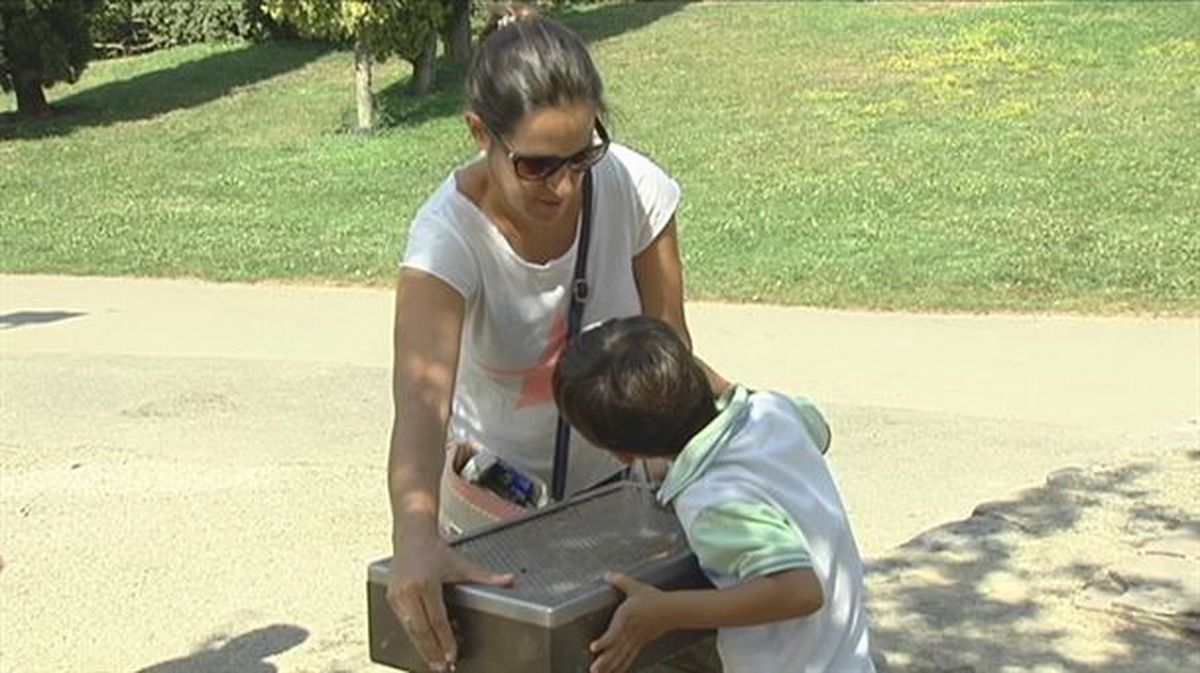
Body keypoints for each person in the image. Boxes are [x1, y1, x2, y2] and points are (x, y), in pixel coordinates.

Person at [385, 6, 726, 672]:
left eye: (583, 155)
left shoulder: (634, 187)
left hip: (620, 500)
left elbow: (670, 351)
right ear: (481, 133)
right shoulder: (446, 237)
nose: (567, 187)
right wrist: (414, 534)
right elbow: (421, 403)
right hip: (495, 519)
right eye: (539, 166)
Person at [553, 316, 875, 673]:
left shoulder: (712, 500)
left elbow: (799, 592)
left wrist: (663, 613)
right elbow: (819, 430)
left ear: (622, 454)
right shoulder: (772, 411)